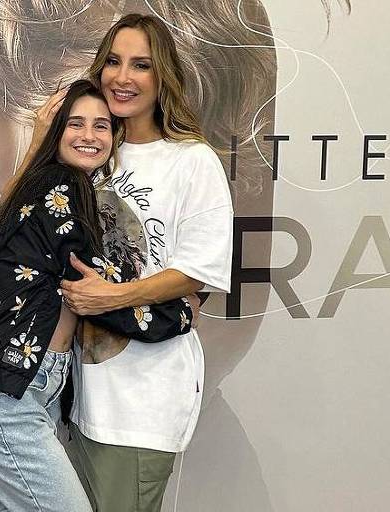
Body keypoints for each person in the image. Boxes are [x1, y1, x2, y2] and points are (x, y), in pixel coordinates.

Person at [0, 80, 196, 512]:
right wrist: (180, 311)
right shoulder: (63, 189)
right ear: (57, 131)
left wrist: (37, 141)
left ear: (115, 138)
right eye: (75, 124)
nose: (90, 136)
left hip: (16, 392)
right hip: (9, 398)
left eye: (102, 126)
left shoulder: (38, 190)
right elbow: (99, 295)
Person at [51, 15, 235, 512]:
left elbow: (200, 269)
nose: (122, 77)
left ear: (163, 78)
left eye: (141, 65)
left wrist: (113, 296)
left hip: (143, 398)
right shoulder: (92, 150)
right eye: (113, 61)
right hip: (83, 391)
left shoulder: (190, 161)